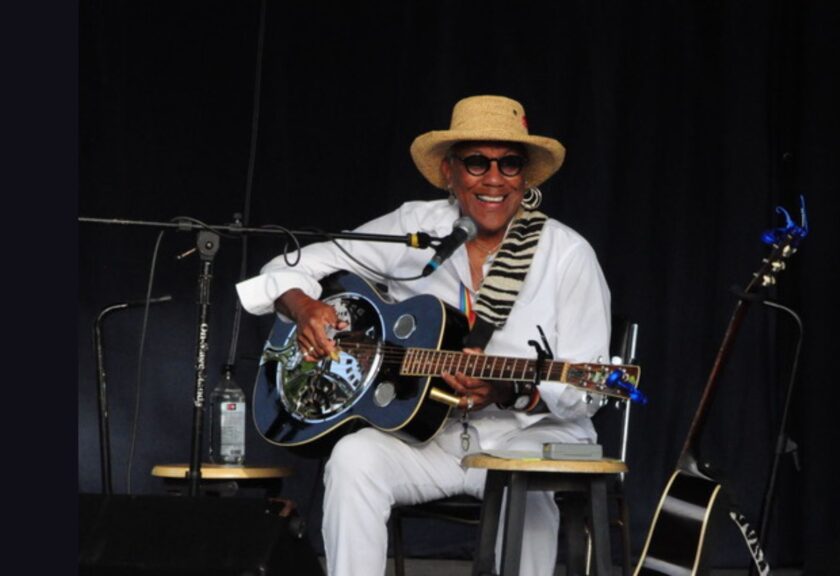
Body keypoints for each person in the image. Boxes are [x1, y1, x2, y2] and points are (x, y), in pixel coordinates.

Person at [235, 94, 611, 576]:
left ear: (526, 177)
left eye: (510, 164)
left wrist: (509, 392)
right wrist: (305, 307)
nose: (493, 179)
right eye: (476, 162)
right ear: (449, 172)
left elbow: (585, 391)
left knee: (527, 489)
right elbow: (291, 266)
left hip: (528, 435)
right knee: (354, 457)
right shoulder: (416, 228)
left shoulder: (567, 254)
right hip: (432, 435)